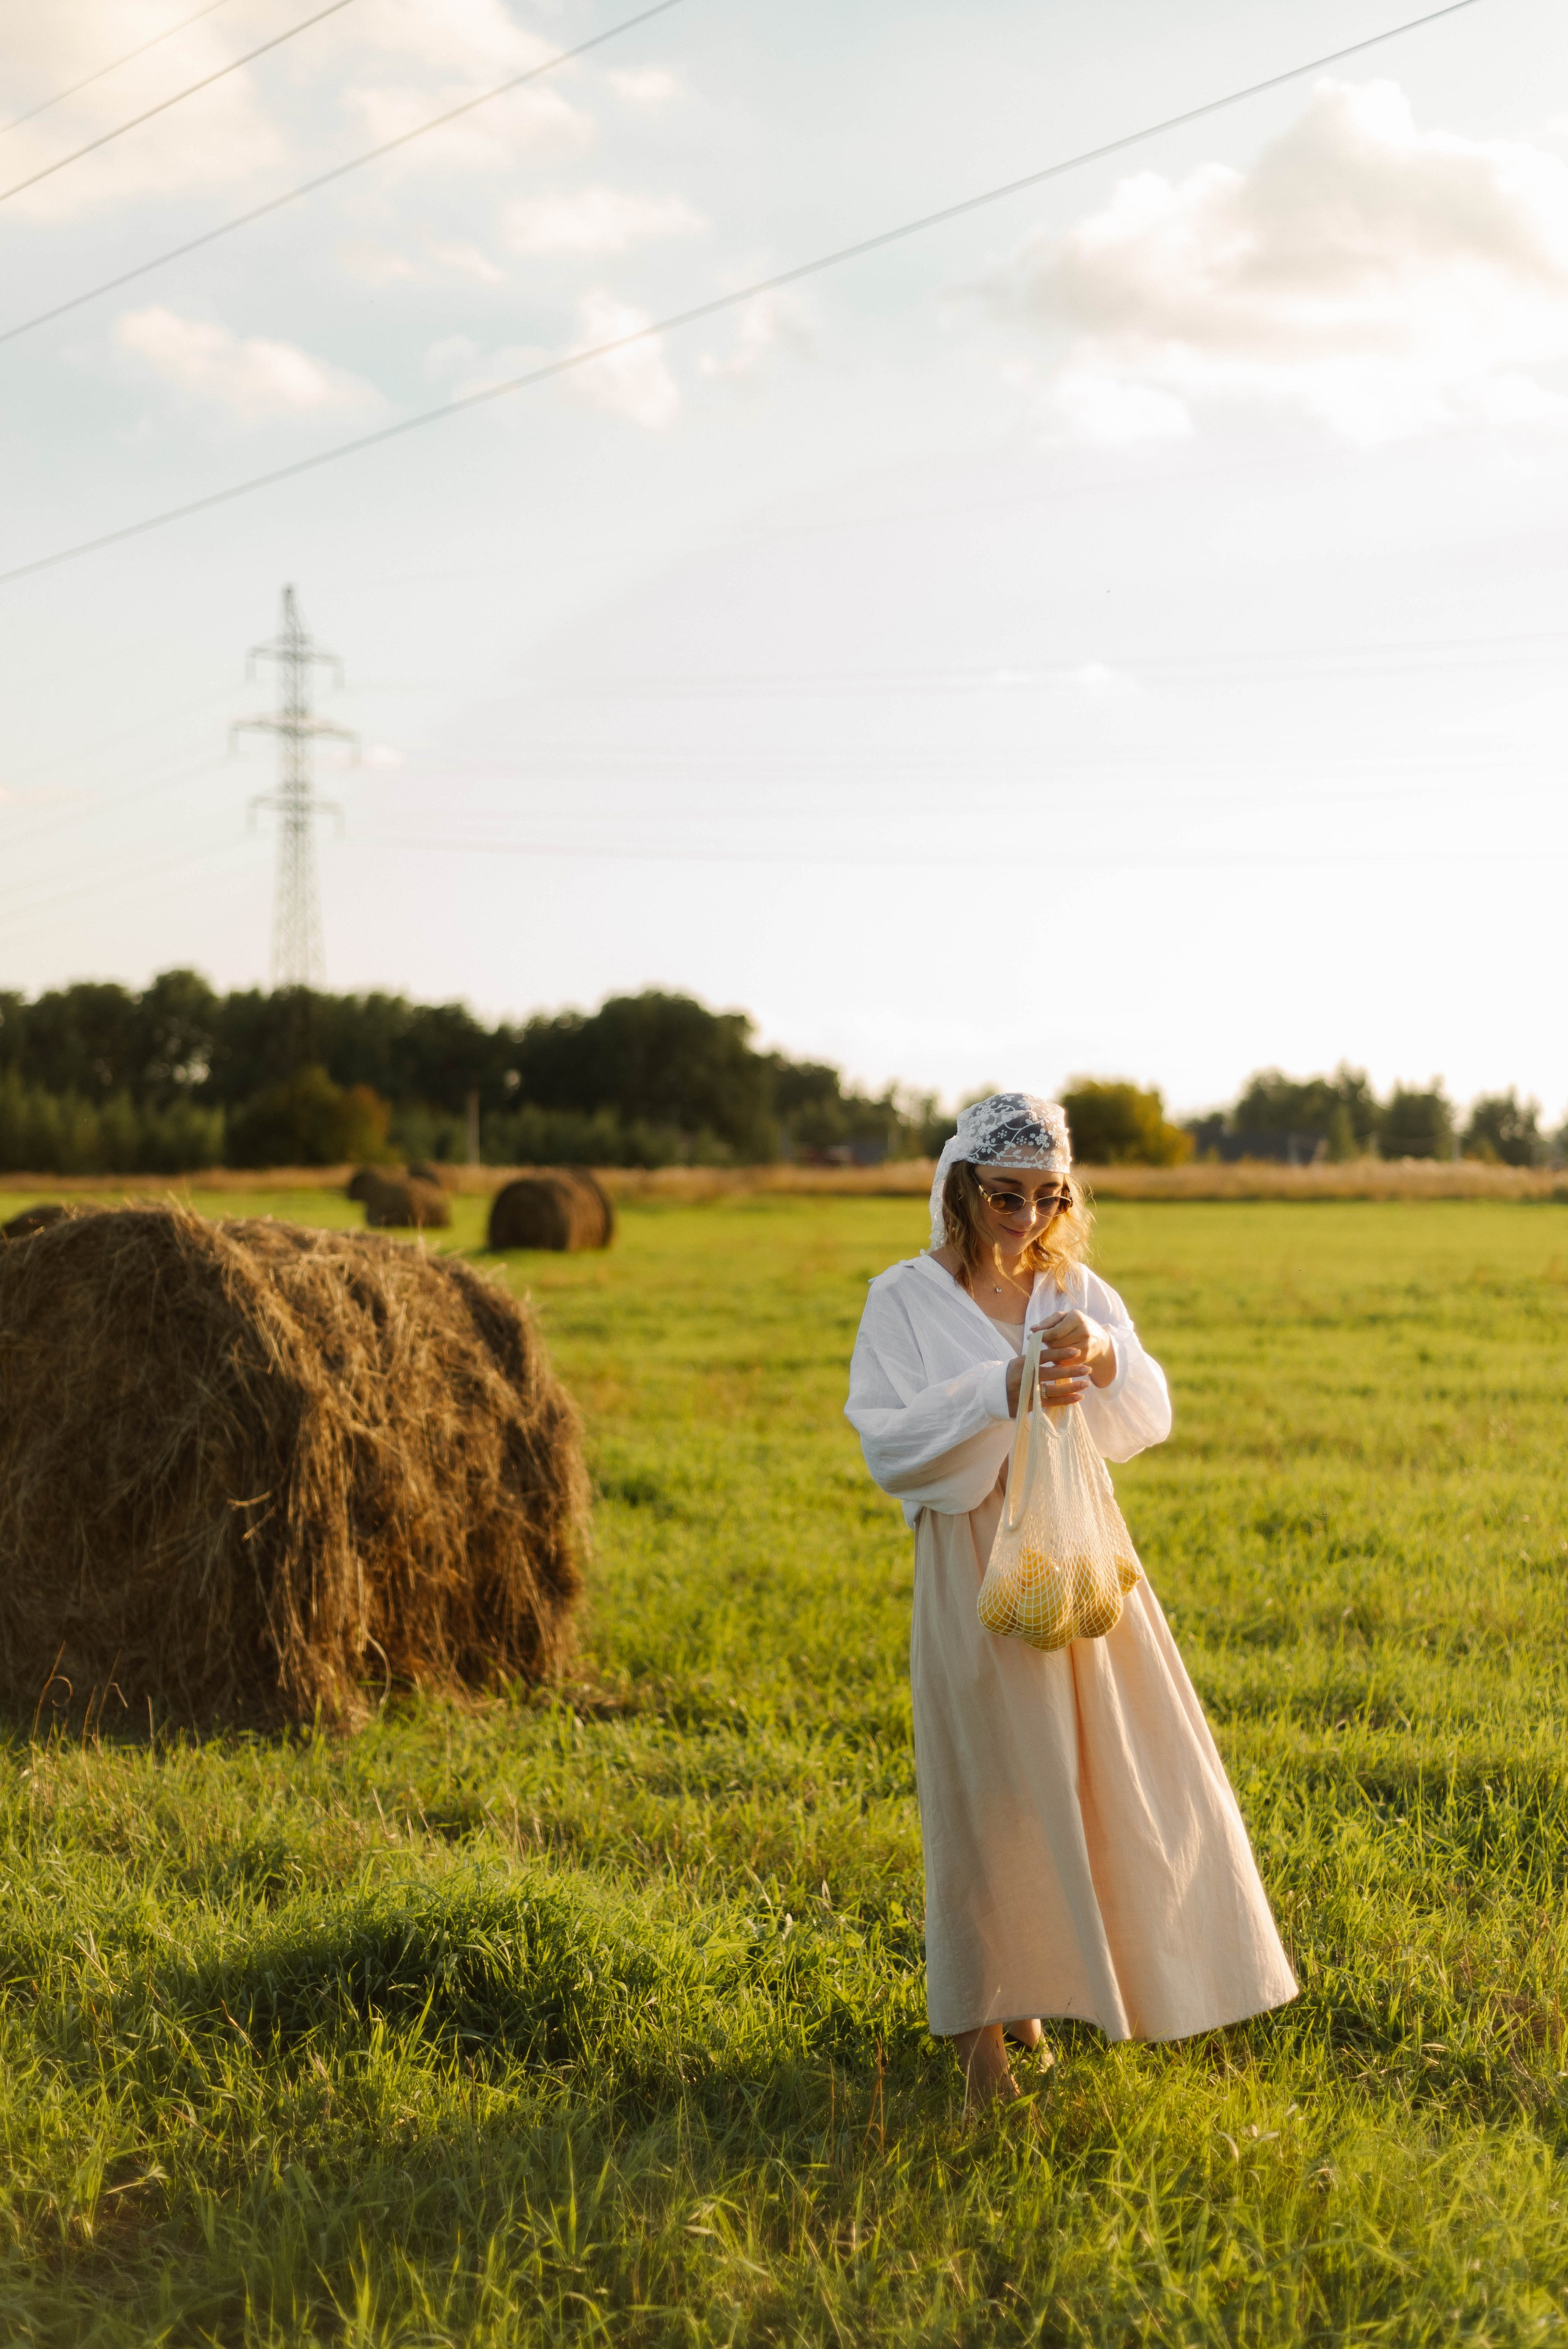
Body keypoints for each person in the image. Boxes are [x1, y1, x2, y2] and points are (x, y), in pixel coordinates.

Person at [845, 1092, 1297, 2108]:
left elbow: (1147, 1415)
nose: (1030, 1219)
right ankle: (979, 2050)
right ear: (963, 1186)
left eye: (1051, 1198)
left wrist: (1103, 1356)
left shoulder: (1074, 1288)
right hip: (973, 1558)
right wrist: (997, 1390)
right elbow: (890, 1446)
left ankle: (1056, 1991)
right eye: (1009, 1195)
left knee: (1098, 1780)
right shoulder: (906, 1299)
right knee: (984, 1790)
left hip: (1083, 1560)